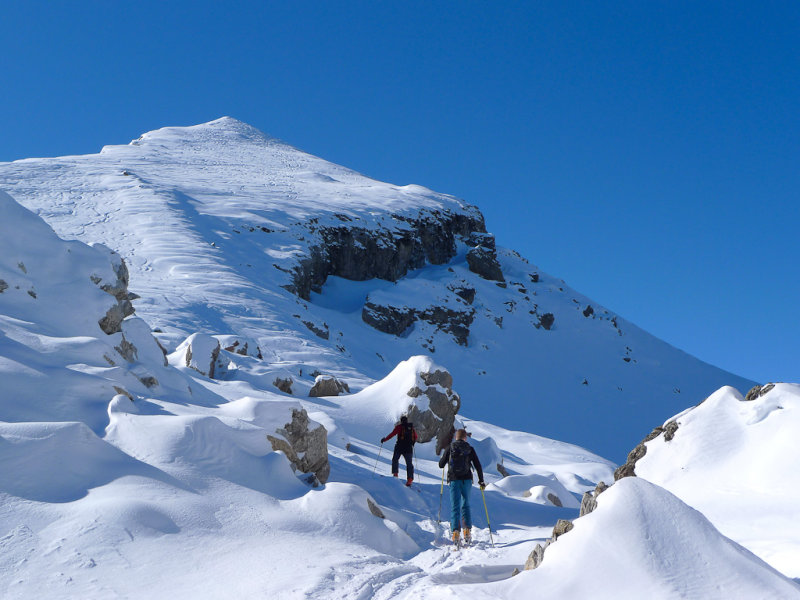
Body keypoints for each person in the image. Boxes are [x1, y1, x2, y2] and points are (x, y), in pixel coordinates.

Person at [438, 428, 485, 546]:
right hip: (467, 480)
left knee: (455, 506)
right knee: (466, 505)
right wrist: (481, 481)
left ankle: (455, 533)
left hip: (454, 480)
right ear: (465, 438)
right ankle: (467, 531)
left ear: (455, 437)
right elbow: (478, 466)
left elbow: (441, 465)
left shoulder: (450, 447)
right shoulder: (469, 448)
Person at [381, 416, 418, 486]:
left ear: (401, 421)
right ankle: (410, 480)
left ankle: (395, 475)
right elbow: (415, 437)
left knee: (395, 459)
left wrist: (384, 440)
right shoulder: (411, 428)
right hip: (409, 448)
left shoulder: (399, 427)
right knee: (409, 464)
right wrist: (412, 443)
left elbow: (392, 434)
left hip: (399, 447)